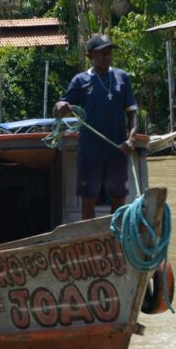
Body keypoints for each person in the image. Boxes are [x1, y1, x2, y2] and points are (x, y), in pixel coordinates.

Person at [53, 34, 138, 220]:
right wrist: (60, 107)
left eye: (109, 52)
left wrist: (131, 139)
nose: (106, 57)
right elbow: (60, 106)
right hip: (90, 151)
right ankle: (88, 240)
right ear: (90, 56)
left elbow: (132, 113)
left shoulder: (122, 78)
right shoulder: (80, 80)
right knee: (89, 199)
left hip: (117, 150)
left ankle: (115, 239)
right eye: (101, 53)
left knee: (118, 198)